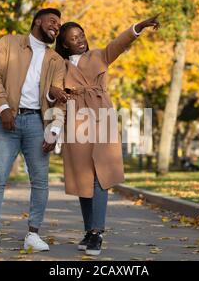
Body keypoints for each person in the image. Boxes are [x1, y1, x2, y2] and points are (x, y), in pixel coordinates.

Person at [51, 15, 160, 256]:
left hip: (102, 117)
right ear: (65, 44)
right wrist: (55, 129)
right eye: (73, 38)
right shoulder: (59, 66)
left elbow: (119, 43)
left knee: (101, 176)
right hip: (76, 120)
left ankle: (97, 233)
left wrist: (138, 27)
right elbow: (56, 99)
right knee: (83, 180)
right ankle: (89, 230)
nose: (80, 40)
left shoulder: (99, 55)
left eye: (81, 35)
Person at [0, 8, 66, 253]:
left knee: (40, 182)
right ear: (37, 21)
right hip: (7, 119)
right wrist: (4, 107)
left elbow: (58, 98)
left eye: (59, 25)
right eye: (52, 21)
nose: (56, 27)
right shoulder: (8, 43)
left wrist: (54, 130)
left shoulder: (56, 60)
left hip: (37, 123)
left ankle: (33, 234)